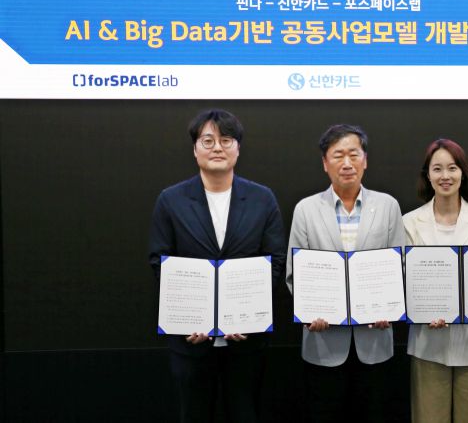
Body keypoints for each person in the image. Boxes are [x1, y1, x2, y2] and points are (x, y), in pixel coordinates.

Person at [148, 108, 286, 423]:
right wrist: (187, 318)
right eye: (208, 141)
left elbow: (274, 260)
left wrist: (248, 314)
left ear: (238, 148)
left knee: (245, 413)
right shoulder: (171, 200)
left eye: (226, 140)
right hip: (191, 340)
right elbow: (160, 260)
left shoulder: (262, 198)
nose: (217, 148)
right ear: (195, 149)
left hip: (246, 339)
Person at [285, 124, 405, 423]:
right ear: (325, 163)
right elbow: (294, 274)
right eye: (338, 155)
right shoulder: (306, 209)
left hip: (374, 339)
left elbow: (400, 266)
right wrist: (310, 311)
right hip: (323, 341)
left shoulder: (388, 206)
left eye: (354, 154)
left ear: (365, 160)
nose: (347, 163)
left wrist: (389, 308)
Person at [403, 138, 468, 423]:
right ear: (427, 175)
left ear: (463, 172)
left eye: (452, 168)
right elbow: (406, 281)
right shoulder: (408, 222)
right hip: (428, 344)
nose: (445, 176)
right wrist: (422, 311)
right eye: (437, 169)